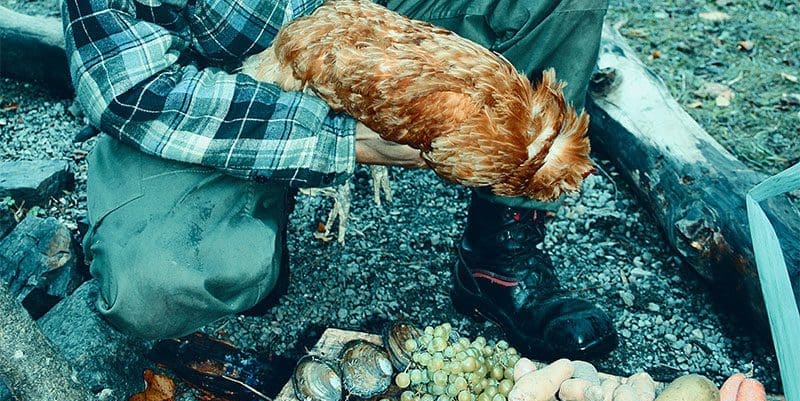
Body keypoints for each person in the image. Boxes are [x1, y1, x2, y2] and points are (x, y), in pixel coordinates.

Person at [62, 0, 618, 360]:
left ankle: (498, 254)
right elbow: (129, 90)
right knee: (153, 285)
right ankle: (259, 198)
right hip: (221, 83)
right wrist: (337, 139)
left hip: (365, 13)